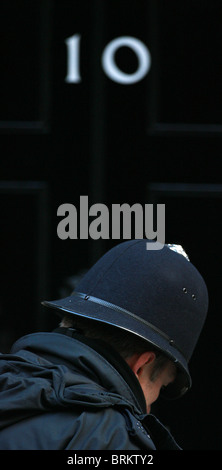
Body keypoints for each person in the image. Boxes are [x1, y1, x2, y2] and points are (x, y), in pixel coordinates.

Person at [0, 240, 208, 450]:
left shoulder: (7, 388)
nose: (150, 407)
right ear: (142, 365)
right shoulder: (114, 442)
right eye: (161, 386)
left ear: (68, 321)